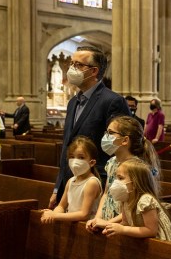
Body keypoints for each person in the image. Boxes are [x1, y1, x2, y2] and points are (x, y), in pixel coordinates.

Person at [49, 46, 130, 209]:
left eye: (78, 65)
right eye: (72, 64)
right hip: (71, 183)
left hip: (97, 183)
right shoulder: (73, 102)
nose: (71, 69)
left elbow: (121, 147)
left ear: (94, 71)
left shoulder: (112, 101)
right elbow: (67, 145)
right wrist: (58, 187)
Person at [86, 115, 161, 230]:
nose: (106, 137)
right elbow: (107, 194)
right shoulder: (111, 162)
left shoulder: (137, 167)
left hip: (126, 225)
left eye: (110, 133)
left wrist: (108, 223)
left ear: (125, 140)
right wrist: (97, 218)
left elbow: (135, 205)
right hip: (108, 220)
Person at [101, 158, 171, 241]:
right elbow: (126, 223)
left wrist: (122, 229)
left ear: (134, 183)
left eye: (120, 178)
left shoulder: (145, 200)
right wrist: (110, 227)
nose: (116, 182)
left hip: (159, 243)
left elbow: (151, 231)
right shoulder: (126, 198)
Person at [41, 136, 102, 224]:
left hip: (86, 228)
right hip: (71, 224)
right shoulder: (71, 181)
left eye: (81, 157)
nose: (75, 161)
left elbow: (84, 214)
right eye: (72, 157)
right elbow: (61, 206)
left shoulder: (91, 182)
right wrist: (53, 213)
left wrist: (55, 215)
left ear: (92, 162)